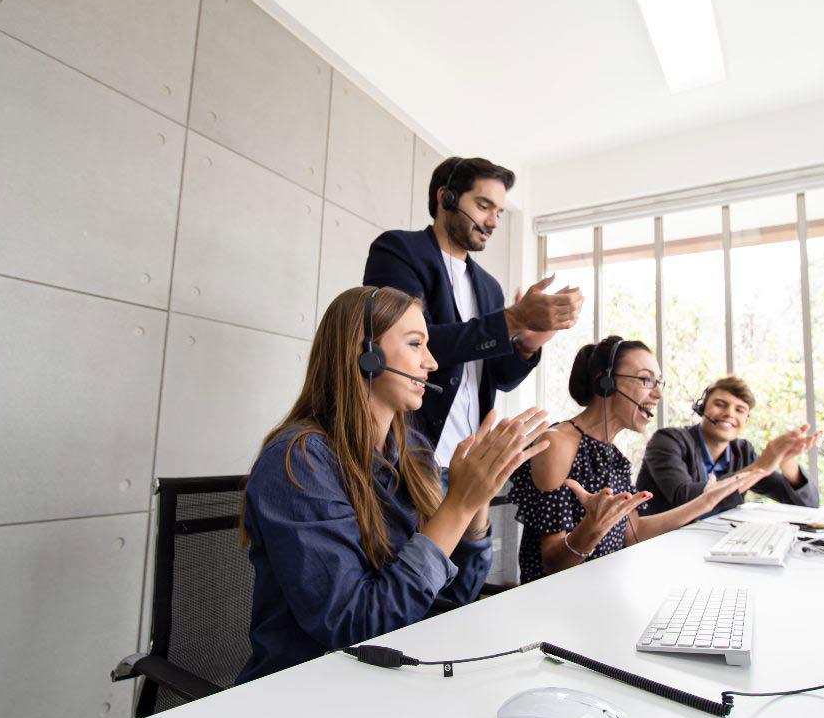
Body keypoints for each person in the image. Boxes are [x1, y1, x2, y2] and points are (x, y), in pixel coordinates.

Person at [236, 286, 549, 683]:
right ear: (366, 354)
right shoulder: (300, 460)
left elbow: (455, 595)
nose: (432, 363)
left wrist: (476, 504)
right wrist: (456, 505)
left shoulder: (412, 451)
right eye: (416, 344)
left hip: (398, 681)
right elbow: (356, 629)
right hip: (309, 693)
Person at [363, 156, 583, 470]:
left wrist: (527, 343)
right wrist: (514, 320)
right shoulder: (399, 251)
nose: (493, 222)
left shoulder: (489, 287)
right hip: (408, 456)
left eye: (499, 212)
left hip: (468, 461)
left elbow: (499, 379)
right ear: (446, 198)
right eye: (483, 205)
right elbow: (406, 346)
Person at [510, 336, 748, 583]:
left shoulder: (614, 456)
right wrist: (592, 528)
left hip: (604, 589)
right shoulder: (557, 443)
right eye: (646, 380)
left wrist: (705, 503)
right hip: (556, 601)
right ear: (607, 382)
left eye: (658, 383)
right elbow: (551, 564)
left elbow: (633, 534)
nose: (658, 394)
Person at [636, 375, 819, 519]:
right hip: (660, 544)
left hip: (709, 544)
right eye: (720, 404)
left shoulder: (743, 453)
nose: (729, 414)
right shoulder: (667, 441)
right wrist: (758, 468)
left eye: (740, 410)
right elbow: (684, 499)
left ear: (745, 421)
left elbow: (808, 506)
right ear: (702, 409)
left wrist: (787, 462)